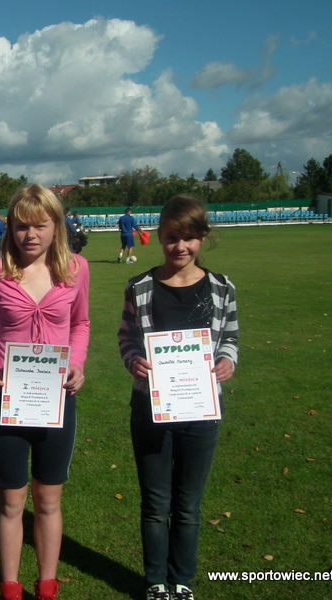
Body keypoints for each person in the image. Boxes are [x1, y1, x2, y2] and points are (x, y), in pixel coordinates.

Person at [117, 196, 239, 600]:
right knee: (155, 503)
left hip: (201, 409)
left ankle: (181, 580)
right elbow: (126, 337)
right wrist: (134, 360)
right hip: (150, 408)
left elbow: (230, 336)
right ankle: (156, 581)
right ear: (160, 237)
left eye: (189, 238)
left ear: (203, 237)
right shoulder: (140, 287)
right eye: (172, 237)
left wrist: (227, 360)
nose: (180, 246)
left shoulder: (222, 287)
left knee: (188, 505)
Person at [0, 184, 90, 600]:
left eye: (40, 225)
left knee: (48, 499)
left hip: (57, 398)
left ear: (57, 226)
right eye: (21, 226)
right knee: (10, 500)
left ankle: (47, 585)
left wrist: (77, 363)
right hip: (8, 399)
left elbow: (81, 323)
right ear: (10, 227)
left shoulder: (75, 268)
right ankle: (9, 587)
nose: (30, 234)